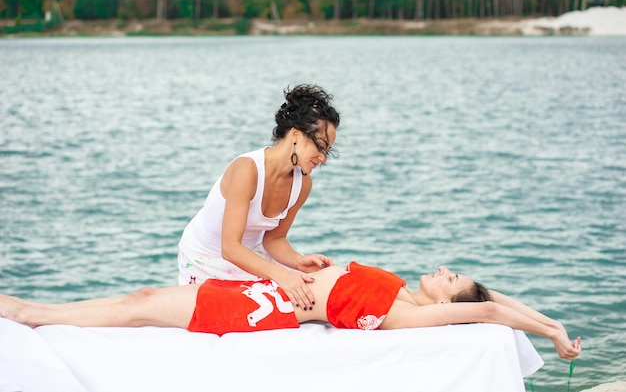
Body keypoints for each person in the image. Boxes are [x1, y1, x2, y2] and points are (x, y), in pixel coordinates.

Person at [0, 262, 581, 360]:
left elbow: (489, 313)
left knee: (142, 306)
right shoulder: (407, 291)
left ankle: (28, 314)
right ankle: (31, 309)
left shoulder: (414, 314)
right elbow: (495, 298)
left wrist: (549, 337)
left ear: (449, 302)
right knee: (142, 299)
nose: (444, 270)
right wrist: (554, 322)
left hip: (263, 311)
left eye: (451, 279)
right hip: (268, 288)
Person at [177, 84, 341, 311]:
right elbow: (230, 248)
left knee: (318, 287)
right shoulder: (247, 169)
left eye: (327, 151)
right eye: (321, 147)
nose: (323, 158)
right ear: (295, 134)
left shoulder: (302, 184)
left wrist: (297, 261)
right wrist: (282, 275)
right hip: (206, 257)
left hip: (252, 256)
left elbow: (274, 240)